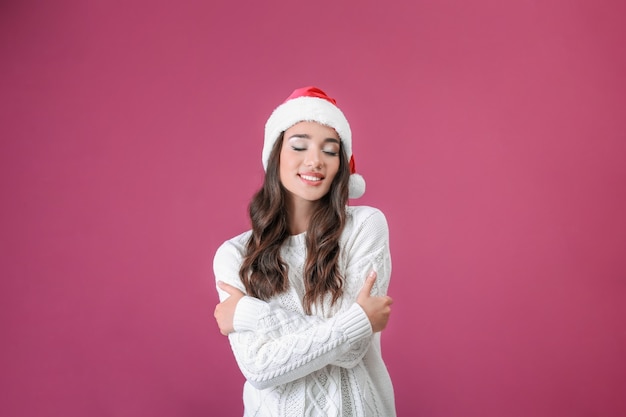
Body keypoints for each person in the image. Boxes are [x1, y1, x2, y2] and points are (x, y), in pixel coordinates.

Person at [213, 86, 396, 417]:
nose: (315, 161)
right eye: (299, 146)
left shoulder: (365, 227)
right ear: (276, 155)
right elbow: (259, 368)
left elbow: (353, 348)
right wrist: (356, 320)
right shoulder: (235, 255)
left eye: (330, 150)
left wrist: (249, 314)